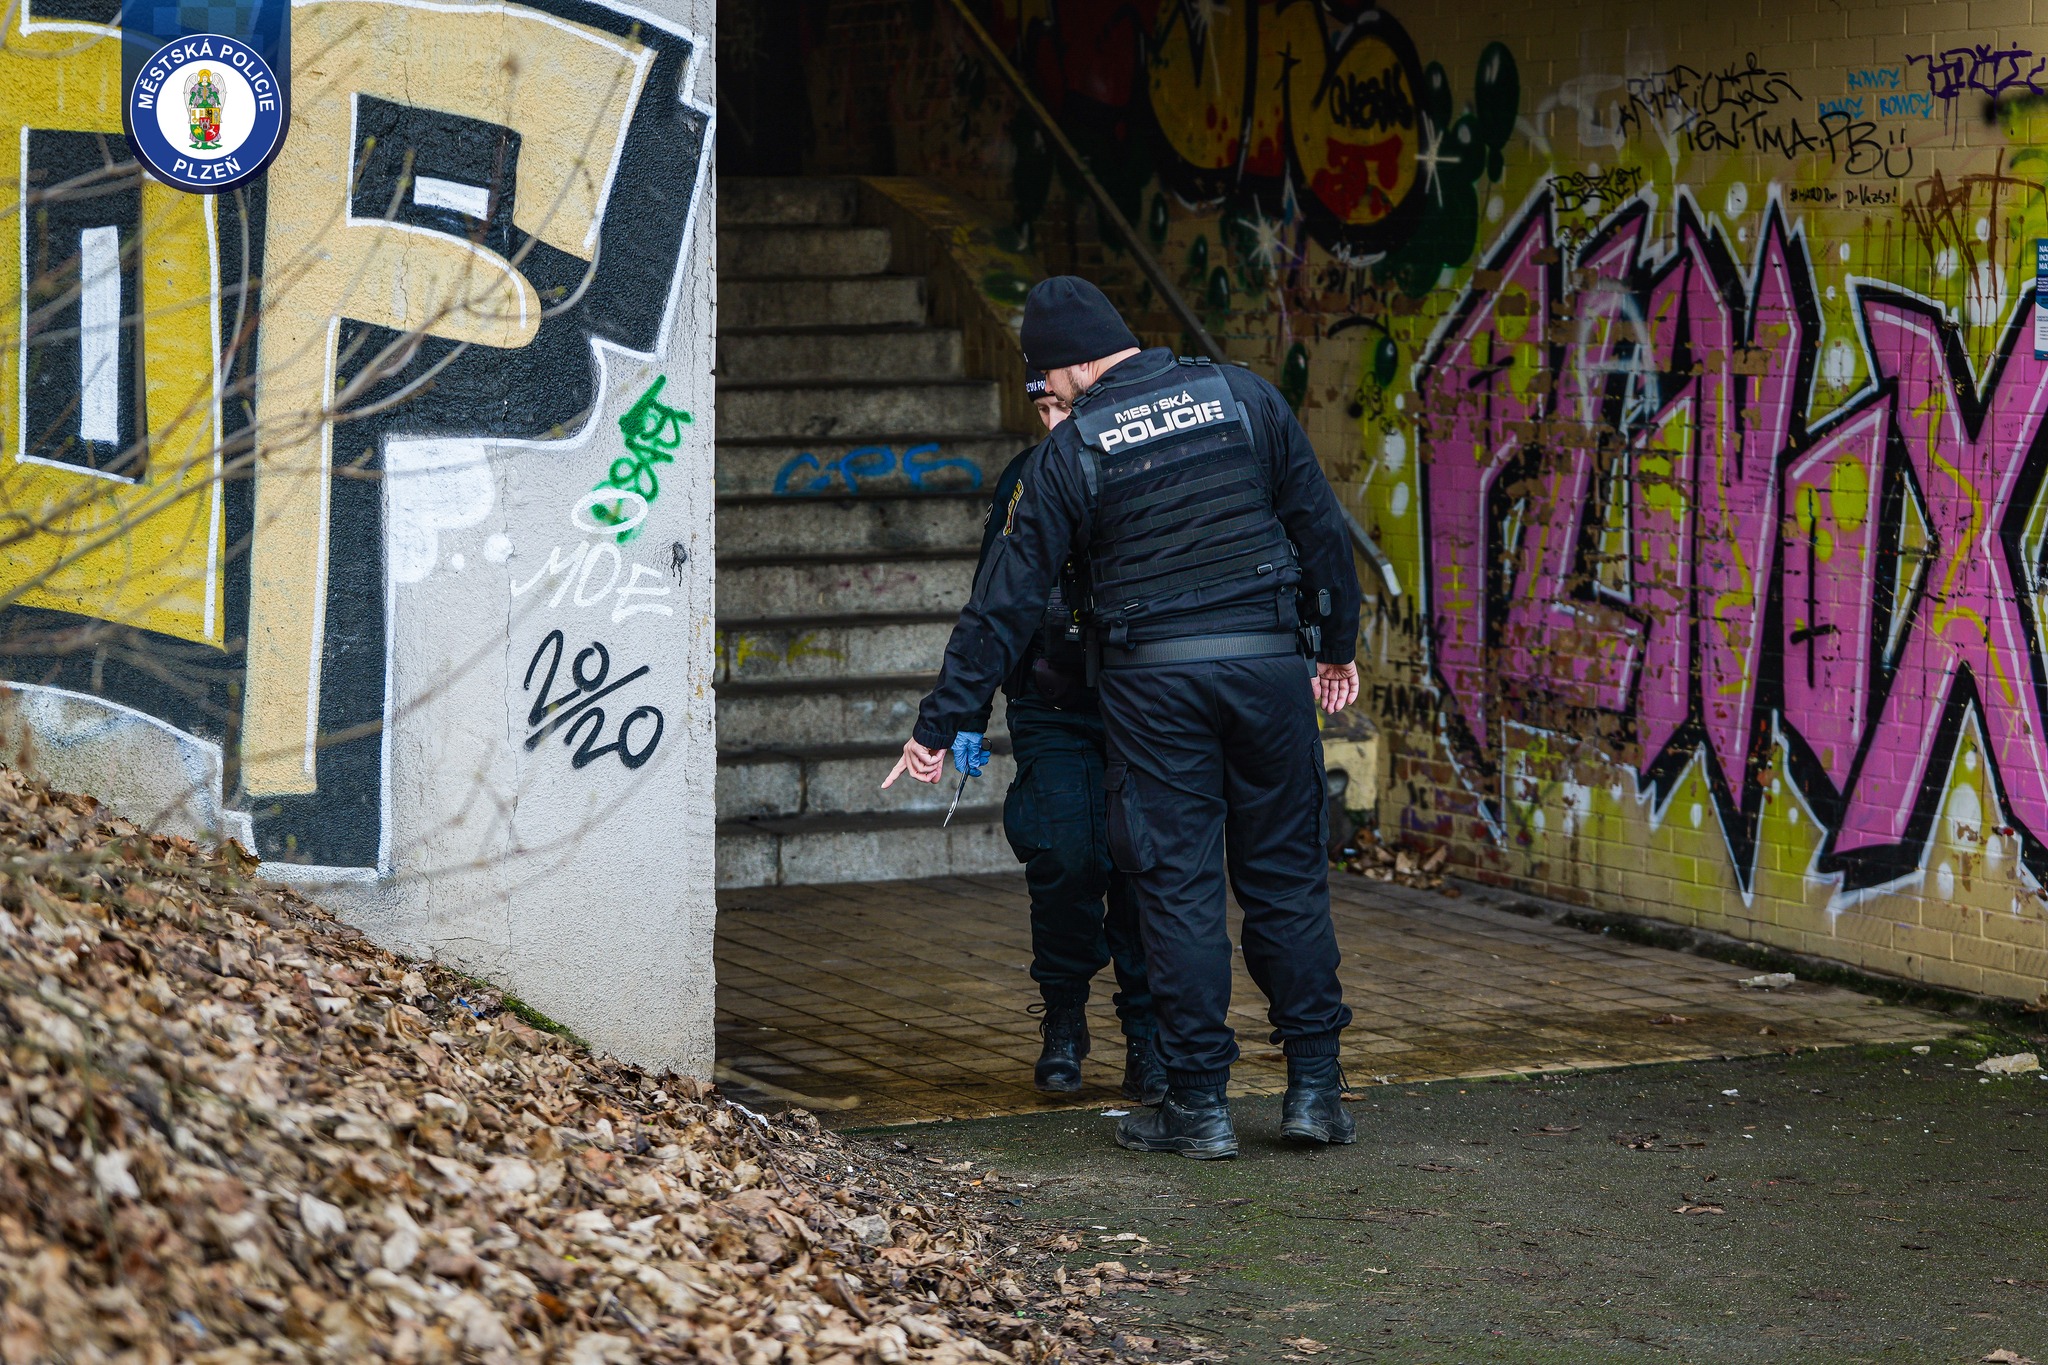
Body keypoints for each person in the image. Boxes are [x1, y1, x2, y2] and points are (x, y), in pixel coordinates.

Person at [884, 277, 1362, 1159]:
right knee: (1288, 878)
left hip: (1156, 686)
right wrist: (1336, 646)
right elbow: (1320, 528)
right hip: (1268, 668)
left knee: (1177, 889)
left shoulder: (1074, 451)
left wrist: (939, 723)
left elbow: (1002, 603)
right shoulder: (1244, 396)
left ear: (1074, 364)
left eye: (1046, 384)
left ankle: (1200, 1106)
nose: (1048, 403)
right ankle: (1315, 1092)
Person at [947, 369, 1164, 1104]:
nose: (1052, 424)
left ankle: (1148, 1036)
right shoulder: (1028, 476)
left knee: (1143, 869)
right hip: (1052, 701)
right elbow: (992, 600)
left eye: (1062, 407)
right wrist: (967, 714)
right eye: (1041, 409)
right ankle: (1065, 1016)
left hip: (1145, 705)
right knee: (1065, 858)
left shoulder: (1147, 466)